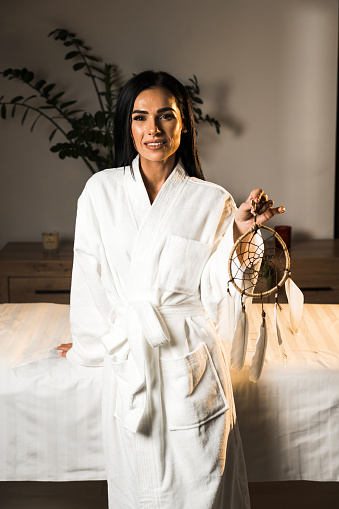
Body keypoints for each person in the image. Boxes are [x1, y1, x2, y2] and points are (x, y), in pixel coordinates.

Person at [58, 70, 285, 509]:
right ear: (128, 125)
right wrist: (91, 345)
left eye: (166, 116)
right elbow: (89, 280)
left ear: (184, 125)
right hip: (132, 361)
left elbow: (219, 289)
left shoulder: (211, 199)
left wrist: (240, 231)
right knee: (136, 489)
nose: (153, 129)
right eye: (141, 117)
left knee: (206, 484)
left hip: (192, 360)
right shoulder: (99, 192)